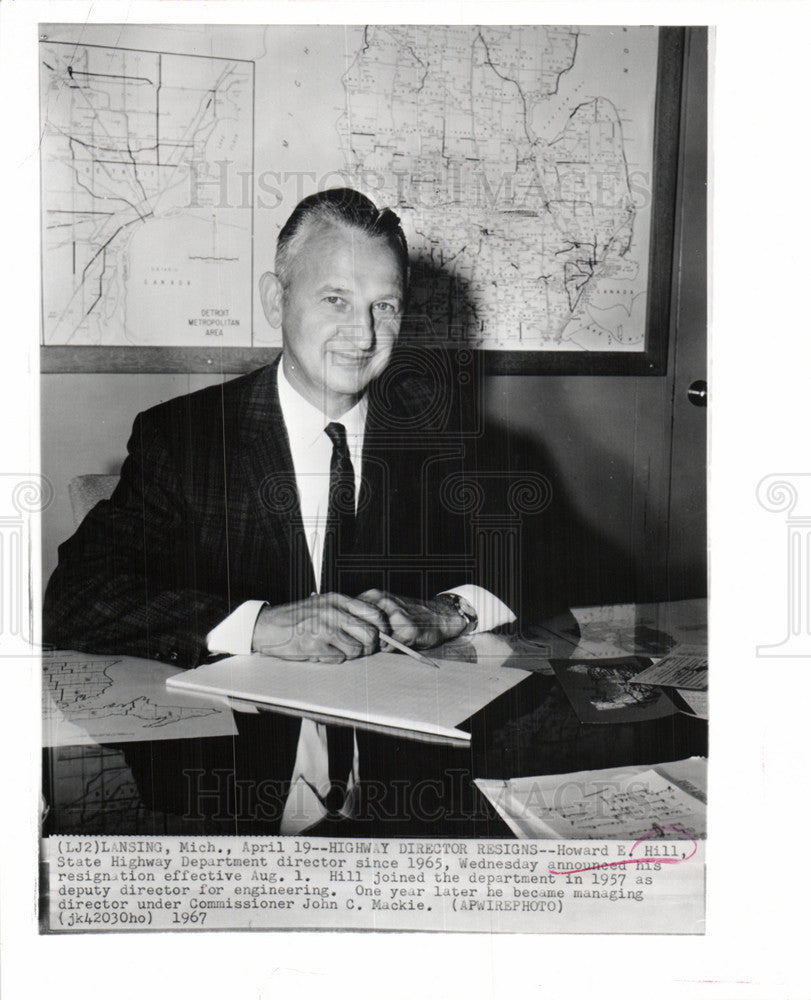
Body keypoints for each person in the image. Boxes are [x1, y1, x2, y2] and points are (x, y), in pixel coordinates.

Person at [43, 188, 518, 834]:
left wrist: (450, 610)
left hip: (411, 802)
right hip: (230, 799)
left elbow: (552, 567)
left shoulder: (445, 443)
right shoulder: (184, 439)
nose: (364, 334)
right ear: (276, 300)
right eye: (335, 300)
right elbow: (75, 597)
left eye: (385, 305)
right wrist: (255, 626)